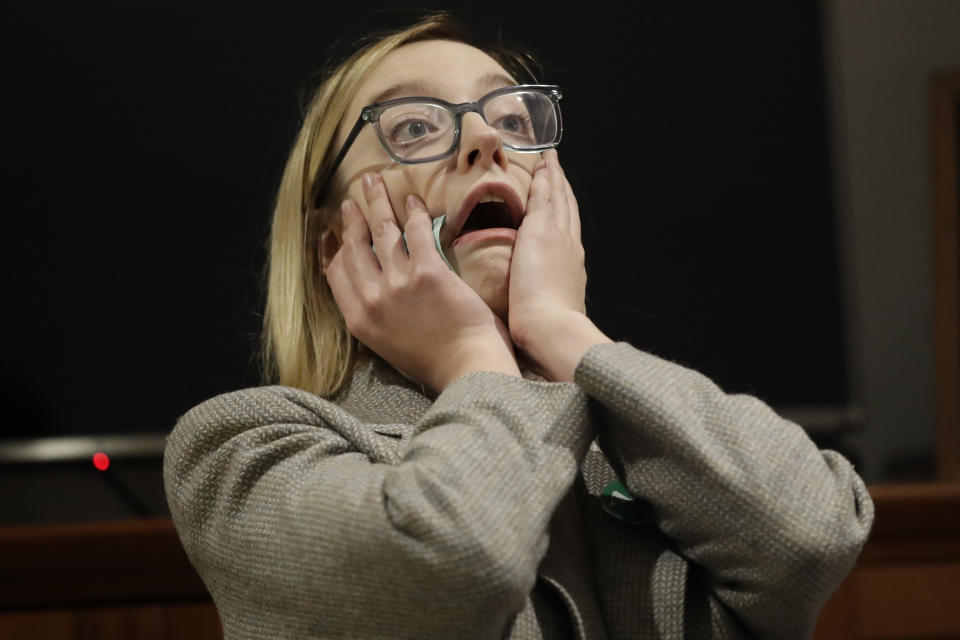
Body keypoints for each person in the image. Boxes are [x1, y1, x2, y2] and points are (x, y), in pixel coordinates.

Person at [163, 12, 874, 640]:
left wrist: (565, 330)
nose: (484, 140)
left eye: (512, 120)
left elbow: (813, 538)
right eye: (414, 125)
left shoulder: (646, 435)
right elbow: (455, 564)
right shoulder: (241, 449)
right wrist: (472, 352)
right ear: (333, 245)